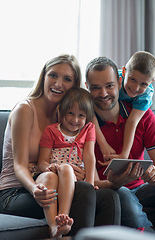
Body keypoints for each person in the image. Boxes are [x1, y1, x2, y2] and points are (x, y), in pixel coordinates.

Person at [0, 54, 120, 237]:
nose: (58, 83)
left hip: (54, 183)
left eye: (67, 79)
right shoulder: (25, 110)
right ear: (44, 76)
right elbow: (19, 165)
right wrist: (34, 189)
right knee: (84, 191)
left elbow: (88, 117)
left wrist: (85, 173)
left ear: (74, 85)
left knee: (109, 197)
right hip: (16, 192)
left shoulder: (66, 117)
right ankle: (58, 230)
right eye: (53, 75)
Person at [85, 56, 155, 239]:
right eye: (95, 88)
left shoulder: (143, 114)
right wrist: (116, 182)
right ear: (87, 88)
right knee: (122, 193)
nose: (103, 93)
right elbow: (89, 183)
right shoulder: (81, 122)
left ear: (120, 82)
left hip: (140, 189)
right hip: (108, 190)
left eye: (109, 86)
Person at [37, 88, 97, 237]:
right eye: (70, 113)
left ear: (87, 117)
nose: (75, 120)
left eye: (81, 116)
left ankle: (62, 219)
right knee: (61, 170)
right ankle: (54, 227)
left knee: (67, 169)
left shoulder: (88, 129)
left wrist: (89, 182)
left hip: (73, 177)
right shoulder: (51, 130)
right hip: (53, 175)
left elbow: (89, 156)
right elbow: (42, 162)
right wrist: (48, 167)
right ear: (62, 111)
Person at [93, 51, 155, 165]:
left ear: (151, 82)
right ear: (123, 72)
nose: (135, 88)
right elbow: (89, 105)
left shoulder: (145, 96)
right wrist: (103, 143)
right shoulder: (112, 80)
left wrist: (124, 154)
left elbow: (132, 122)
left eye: (143, 84)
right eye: (132, 79)